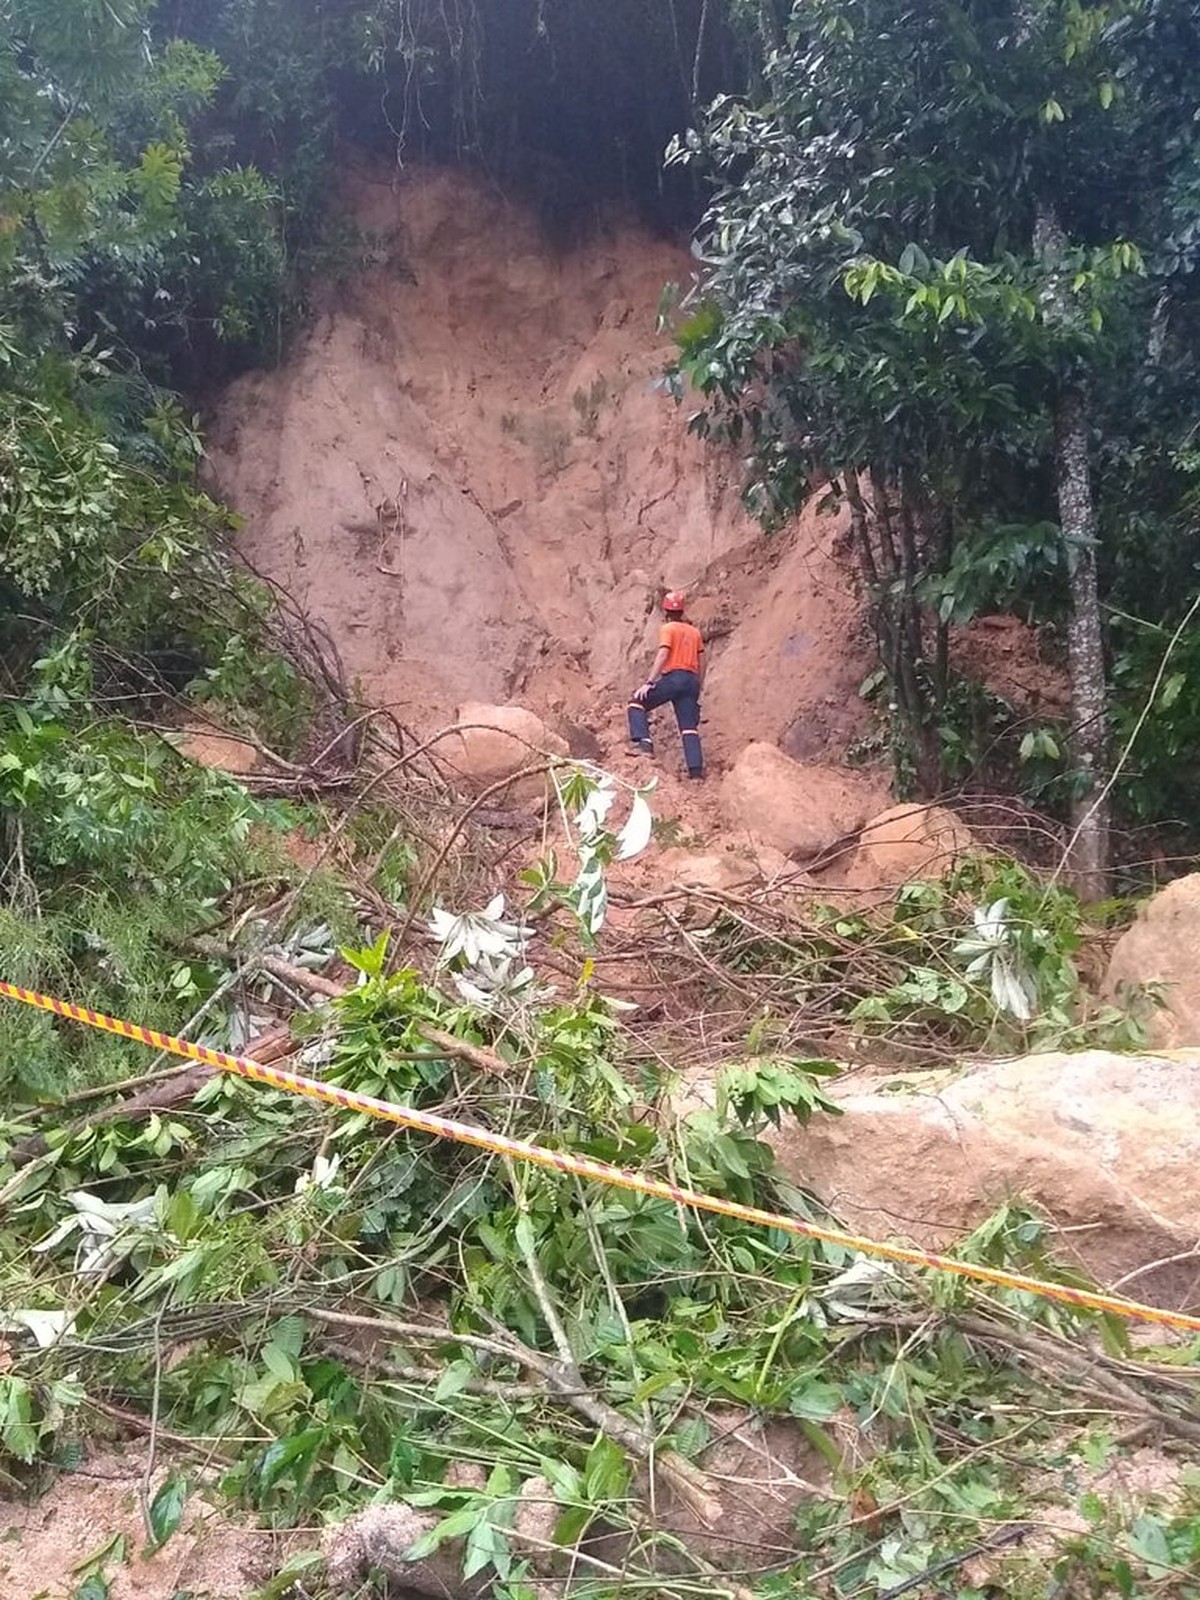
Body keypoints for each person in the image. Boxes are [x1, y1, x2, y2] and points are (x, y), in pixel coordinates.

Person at [627, 591, 705, 779]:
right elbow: (703, 660)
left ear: (666, 611)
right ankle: (696, 771)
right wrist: (698, 685)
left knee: (636, 703)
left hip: (674, 678)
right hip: (691, 680)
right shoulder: (695, 632)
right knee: (688, 727)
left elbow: (663, 654)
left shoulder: (668, 629)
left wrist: (649, 682)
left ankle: (644, 744)